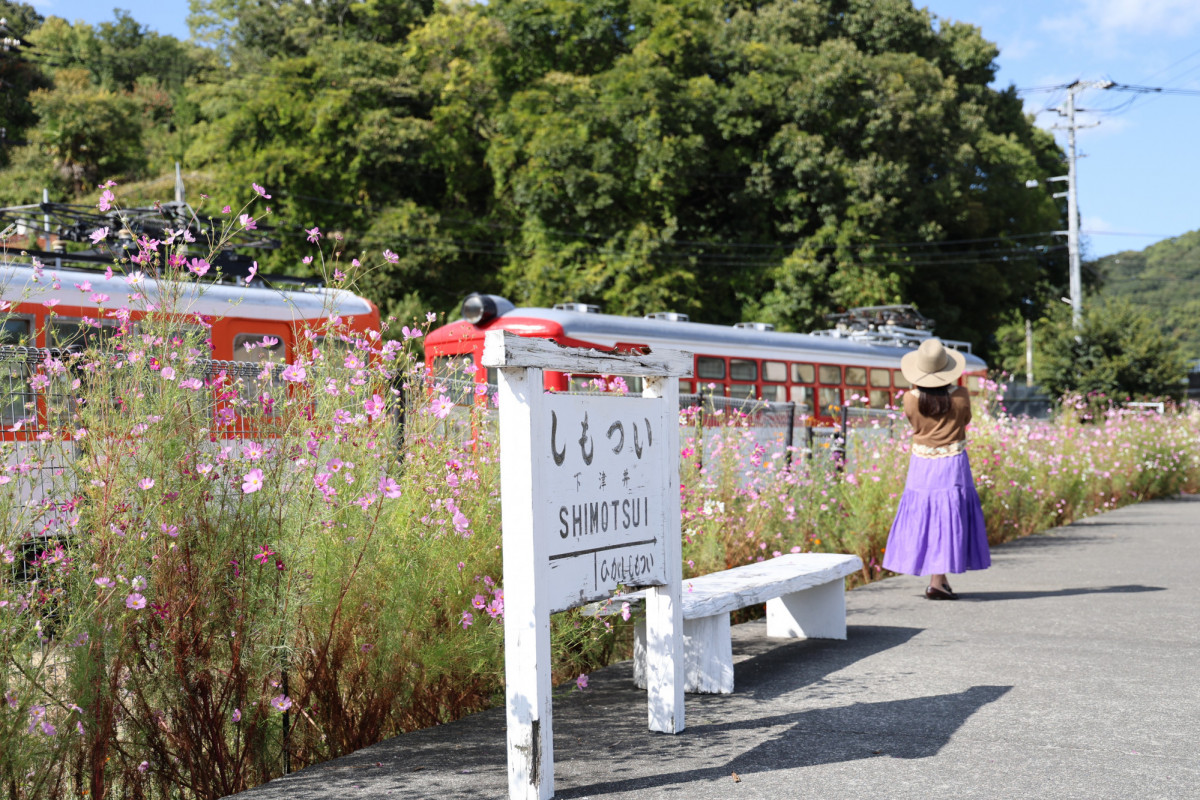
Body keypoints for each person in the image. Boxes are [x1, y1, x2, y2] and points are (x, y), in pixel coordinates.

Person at [882, 337, 990, 600]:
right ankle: (938, 582)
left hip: (921, 465)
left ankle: (937, 580)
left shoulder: (910, 399)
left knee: (926, 516)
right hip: (952, 463)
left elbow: (914, 422)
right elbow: (966, 420)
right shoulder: (961, 396)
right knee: (948, 516)